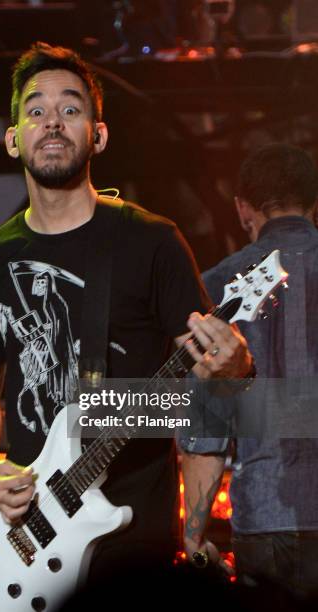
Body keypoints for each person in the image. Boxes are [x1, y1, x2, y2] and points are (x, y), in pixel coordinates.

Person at [0, 41, 252, 590]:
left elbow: (213, 388)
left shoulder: (151, 241)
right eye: (35, 110)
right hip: (27, 527)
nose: (53, 123)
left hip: (133, 529)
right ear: (13, 140)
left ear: (99, 134)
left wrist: (233, 366)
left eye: (71, 109)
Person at [180, 143, 318, 599]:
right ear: (314, 203)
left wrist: (195, 537)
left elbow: (205, 430)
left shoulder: (218, 286)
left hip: (264, 521)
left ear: (243, 209)